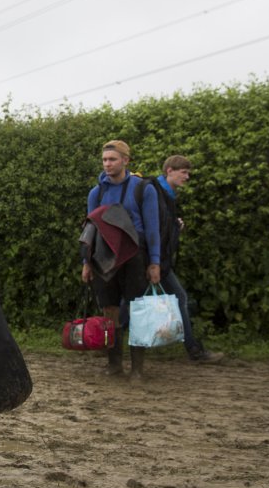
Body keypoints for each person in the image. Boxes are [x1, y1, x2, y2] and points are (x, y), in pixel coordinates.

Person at [81, 140, 161, 382]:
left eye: (112, 159)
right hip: (104, 258)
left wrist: (155, 262)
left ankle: (137, 368)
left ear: (125, 160)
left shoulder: (143, 189)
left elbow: (152, 228)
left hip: (135, 256)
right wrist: (86, 262)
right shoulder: (97, 192)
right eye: (104, 160)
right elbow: (90, 230)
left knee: (137, 310)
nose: (107, 164)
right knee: (110, 310)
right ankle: (114, 364)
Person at [150, 155, 224, 362]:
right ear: (169, 171)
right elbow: (152, 228)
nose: (187, 176)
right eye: (184, 172)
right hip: (155, 261)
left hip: (158, 260)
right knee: (177, 298)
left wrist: (175, 225)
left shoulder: (166, 194)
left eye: (188, 172)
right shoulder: (156, 193)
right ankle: (194, 351)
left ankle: (107, 341)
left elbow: (162, 226)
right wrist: (153, 261)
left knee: (131, 303)